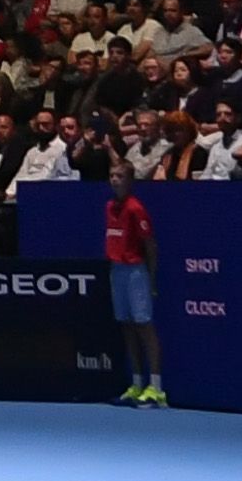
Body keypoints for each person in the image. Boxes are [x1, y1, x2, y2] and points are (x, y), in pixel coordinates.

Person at [105, 170, 166, 407]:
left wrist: (151, 278)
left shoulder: (135, 208)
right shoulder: (110, 206)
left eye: (119, 176)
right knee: (127, 326)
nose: (114, 180)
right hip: (116, 270)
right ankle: (137, 383)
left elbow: (150, 245)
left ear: (130, 181)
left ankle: (157, 388)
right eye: (112, 176)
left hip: (135, 272)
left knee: (144, 326)